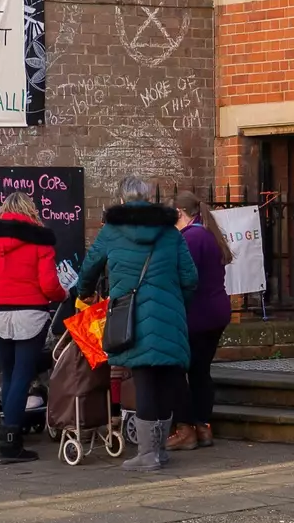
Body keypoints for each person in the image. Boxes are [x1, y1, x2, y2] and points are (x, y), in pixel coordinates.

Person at [77, 176, 197, 471]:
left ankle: (147, 454)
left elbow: (89, 268)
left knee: (143, 379)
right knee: (167, 379)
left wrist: (84, 294)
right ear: (148, 198)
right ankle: (160, 449)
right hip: (169, 315)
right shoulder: (170, 232)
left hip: (130, 315)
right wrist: (174, 302)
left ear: (121, 200)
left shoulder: (112, 231)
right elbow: (190, 278)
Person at [0, 192, 69, 464]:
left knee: (9, 373)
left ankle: (8, 437)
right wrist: (61, 295)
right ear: (30, 210)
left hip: (0, 314)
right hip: (32, 313)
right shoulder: (40, 240)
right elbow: (49, 284)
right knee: (23, 376)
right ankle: (10, 443)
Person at [167, 190, 233, 451]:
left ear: (180, 213)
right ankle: (203, 426)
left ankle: (185, 429)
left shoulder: (189, 239)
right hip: (216, 312)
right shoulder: (208, 234)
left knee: (176, 371)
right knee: (200, 371)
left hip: (196, 315)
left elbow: (185, 279)